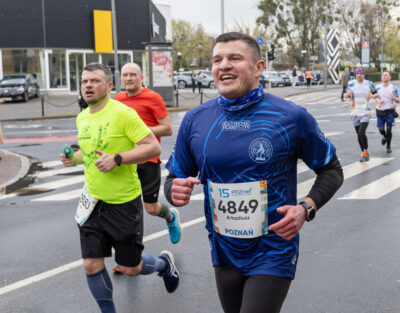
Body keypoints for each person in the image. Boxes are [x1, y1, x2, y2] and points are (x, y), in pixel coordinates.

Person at [164, 32, 343, 313]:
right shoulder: (196, 120)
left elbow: (332, 170)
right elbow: (174, 178)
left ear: (259, 67)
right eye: (217, 60)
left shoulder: (291, 117)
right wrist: (174, 190)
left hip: (274, 248)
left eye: (235, 58)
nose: (224, 65)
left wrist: (305, 208)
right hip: (224, 250)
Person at [60, 63, 180, 313]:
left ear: (109, 86)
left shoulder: (123, 113)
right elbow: (91, 155)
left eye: (94, 81)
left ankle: (163, 264)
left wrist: (118, 158)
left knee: (130, 268)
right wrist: (74, 157)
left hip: (123, 202)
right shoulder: (82, 117)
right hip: (91, 202)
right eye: (84, 82)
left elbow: (153, 147)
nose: (88, 86)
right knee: (91, 265)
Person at [115, 62, 182, 246]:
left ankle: (170, 216)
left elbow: (167, 129)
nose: (128, 78)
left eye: (132, 75)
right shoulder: (118, 99)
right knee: (127, 208)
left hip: (148, 160)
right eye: (125, 75)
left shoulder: (153, 97)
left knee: (151, 208)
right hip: (126, 160)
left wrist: (141, 131)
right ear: (120, 78)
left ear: (141, 78)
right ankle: (130, 254)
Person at [344, 67, 377, 162]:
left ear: (364, 74)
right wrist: (347, 94)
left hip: (365, 111)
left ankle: (366, 152)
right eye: (358, 73)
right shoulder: (351, 84)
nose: (359, 75)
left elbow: (376, 94)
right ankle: (363, 152)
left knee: (362, 132)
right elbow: (345, 95)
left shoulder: (369, 83)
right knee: (358, 134)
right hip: (355, 112)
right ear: (355, 74)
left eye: (361, 73)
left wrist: (372, 96)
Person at [374, 71, 400, 153]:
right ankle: (385, 137)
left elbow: (398, 100)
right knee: (381, 129)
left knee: (389, 130)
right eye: (383, 75)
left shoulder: (393, 88)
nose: (384, 76)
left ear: (390, 77)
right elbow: (374, 96)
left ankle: (388, 146)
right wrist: (378, 100)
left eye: (386, 75)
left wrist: (394, 98)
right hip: (380, 110)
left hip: (389, 112)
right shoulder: (377, 87)